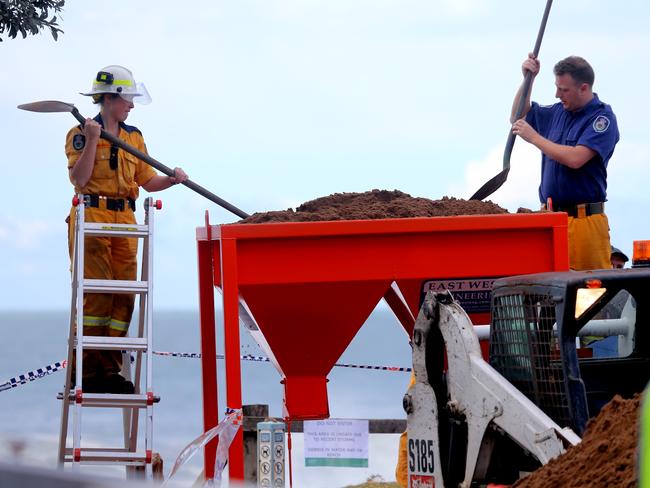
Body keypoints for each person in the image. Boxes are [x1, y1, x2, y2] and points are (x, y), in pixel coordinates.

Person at [66, 65, 188, 393]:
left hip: (125, 221)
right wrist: (93, 140)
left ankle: (109, 370)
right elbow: (79, 179)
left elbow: (148, 181)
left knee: (124, 295)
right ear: (109, 98)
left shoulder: (134, 137)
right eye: (127, 99)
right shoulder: (80, 132)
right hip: (92, 215)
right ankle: (85, 371)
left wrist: (173, 179)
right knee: (98, 292)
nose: (131, 106)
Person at [511, 54, 620, 271]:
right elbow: (517, 114)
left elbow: (576, 158)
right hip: (549, 220)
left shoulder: (602, 119)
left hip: (584, 223)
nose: (557, 94)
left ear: (584, 88)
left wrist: (534, 138)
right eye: (557, 87)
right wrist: (528, 80)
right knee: (547, 295)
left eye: (564, 89)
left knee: (590, 294)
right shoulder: (557, 112)